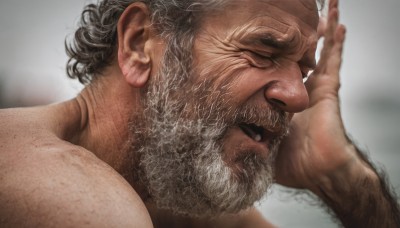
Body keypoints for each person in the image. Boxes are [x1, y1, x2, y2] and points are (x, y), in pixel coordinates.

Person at [0, 0, 399, 227]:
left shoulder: (176, 198)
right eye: (263, 51)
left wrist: (340, 175)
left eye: (303, 69)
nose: (298, 96)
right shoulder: (81, 204)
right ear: (140, 44)